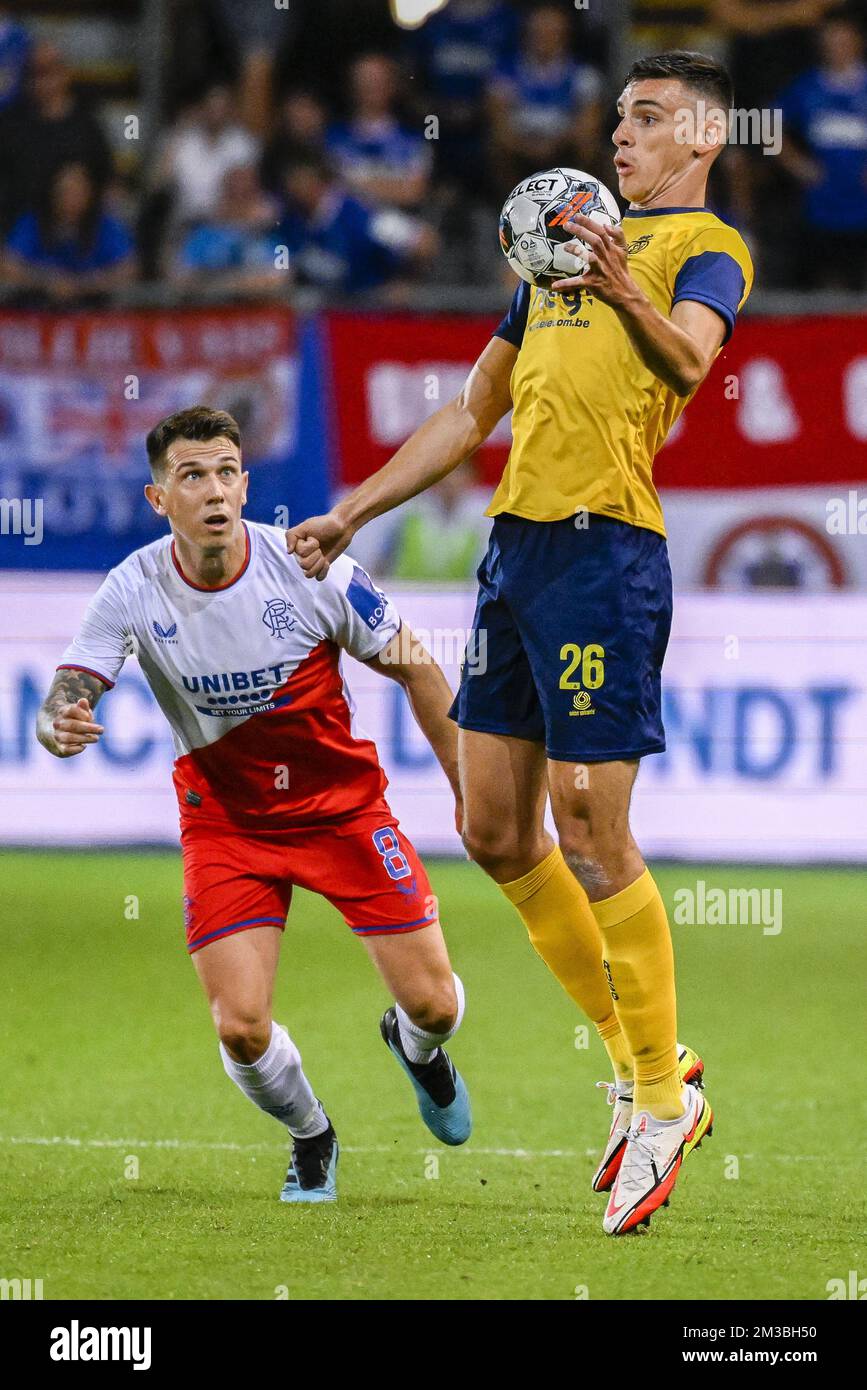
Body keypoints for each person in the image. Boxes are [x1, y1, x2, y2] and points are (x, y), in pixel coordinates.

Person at [286, 50, 754, 1235]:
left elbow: (692, 359)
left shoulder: (704, 248)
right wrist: (354, 509)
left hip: (608, 555)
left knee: (593, 823)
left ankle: (657, 1101)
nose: (620, 137)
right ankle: (650, 1062)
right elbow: (468, 408)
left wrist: (620, 281)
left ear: (702, 138)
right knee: (493, 828)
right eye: (618, 119)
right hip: (517, 556)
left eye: (647, 119)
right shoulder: (561, 244)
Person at [35, 406, 472, 1204]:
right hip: (227, 825)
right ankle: (312, 1136)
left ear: (246, 483)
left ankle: (416, 1050)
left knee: (437, 1006)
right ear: (157, 498)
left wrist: (465, 791)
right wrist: (56, 717)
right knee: (239, 1024)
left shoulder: (311, 566)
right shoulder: (132, 587)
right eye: (190, 475)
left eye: (226, 471)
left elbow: (420, 669)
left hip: (343, 813)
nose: (213, 489)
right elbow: (72, 685)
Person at [778, 9, 867, 290]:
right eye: (830, 40)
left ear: (858, 42)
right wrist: (795, 163)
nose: (836, 47)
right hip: (819, 210)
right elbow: (762, 126)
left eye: (843, 40)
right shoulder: (805, 88)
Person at [4, 161, 135, 306]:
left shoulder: (105, 225)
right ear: (53, 194)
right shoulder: (33, 222)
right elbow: (8, 265)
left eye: (77, 191)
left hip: (93, 310)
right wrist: (47, 281)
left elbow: (127, 269)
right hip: (36, 309)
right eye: (65, 191)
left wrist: (81, 285)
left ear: (89, 193)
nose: (71, 199)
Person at [326, 53, 433, 213]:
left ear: (392, 85)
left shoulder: (413, 141)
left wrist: (350, 182)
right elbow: (326, 190)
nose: (371, 86)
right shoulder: (331, 139)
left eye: (378, 79)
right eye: (364, 79)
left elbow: (413, 193)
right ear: (351, 85)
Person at [172, 164, 285, 300]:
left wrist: (231, 285)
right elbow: (180, 277)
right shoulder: (201, 236)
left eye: (245, 194)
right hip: (210, 311)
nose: (238, 201)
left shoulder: (274, 237)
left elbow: (282, 277)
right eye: (233, 193)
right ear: (224, 195)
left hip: (260, 312)